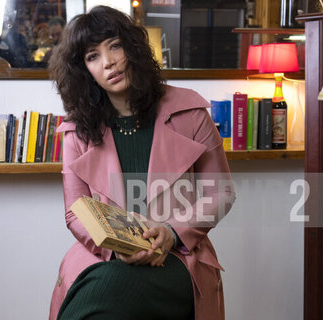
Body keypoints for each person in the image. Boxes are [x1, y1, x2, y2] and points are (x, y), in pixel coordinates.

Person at [48, 6, 236, 320]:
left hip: (177, 256)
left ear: (132, 48)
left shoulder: (189, 112)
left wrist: (172, 232)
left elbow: (221, 194)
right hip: (103, 256)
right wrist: (113, 247)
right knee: (106, 288)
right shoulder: (77, 130)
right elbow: (74, 210)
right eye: (92, 56)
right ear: (84, 70)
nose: (107, 62)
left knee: (106, 296)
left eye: (114, 45)